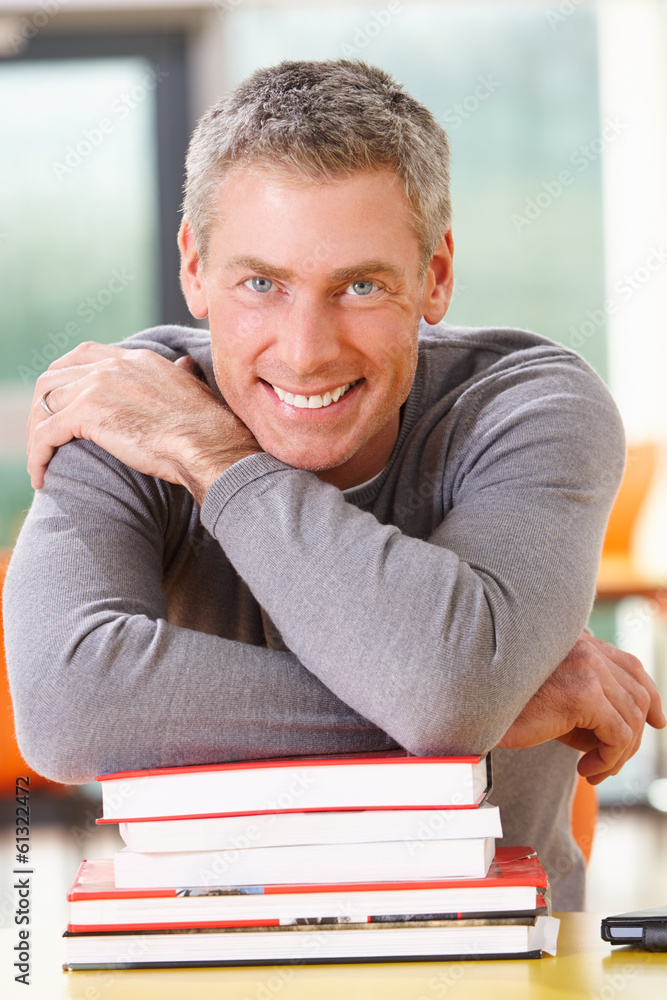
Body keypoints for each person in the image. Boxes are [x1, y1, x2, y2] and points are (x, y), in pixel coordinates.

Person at [4, 60, 663, 910]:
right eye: (260, 284)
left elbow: (450, 693)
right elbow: (65, 709)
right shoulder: (128, 411)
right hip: (204, 952)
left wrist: (216, 458)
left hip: (494, 952)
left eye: (359, 285)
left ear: (434, 275)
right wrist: (491, 703)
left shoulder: (531, 409)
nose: (307, 349)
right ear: (195, 268)